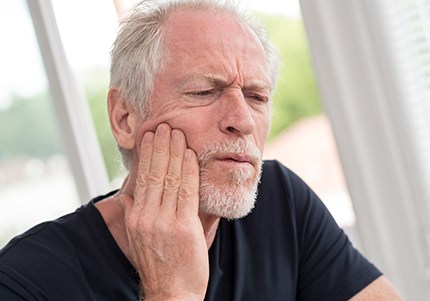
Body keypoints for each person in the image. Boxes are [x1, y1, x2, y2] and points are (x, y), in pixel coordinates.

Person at [0, 0, 403, 300]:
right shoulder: (25, 280)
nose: (242, 120)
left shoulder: (280, 201)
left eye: (257, 96)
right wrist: (171, 292)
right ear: (125, 118)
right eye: (204, 91)